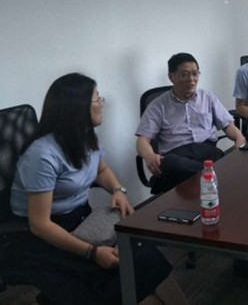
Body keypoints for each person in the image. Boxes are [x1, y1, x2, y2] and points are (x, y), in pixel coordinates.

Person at [9, 73, 188, 305]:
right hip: (43, 238)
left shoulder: (85, 134)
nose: (102, 103)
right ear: (79, 108)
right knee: (122, 275)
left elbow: (101, 170)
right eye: (97, 98)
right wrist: (92, 252)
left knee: (141, 253)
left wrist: (118, 190)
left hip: (80, 220)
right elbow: (40, 225)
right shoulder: (42, 155)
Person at [136, 53, 245, 193]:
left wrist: (239, 139)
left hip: (207, 151)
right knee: (170, 163)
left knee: (217, 158)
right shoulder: (158, 105)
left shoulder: (207, 97)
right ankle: (215, 176)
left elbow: (228, 125)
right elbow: (142, 140)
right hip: (177, 156)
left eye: (195, 74)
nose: (191, 79)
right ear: (171, 77)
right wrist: (149, 156)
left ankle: (211, 176)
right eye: (184, 75)